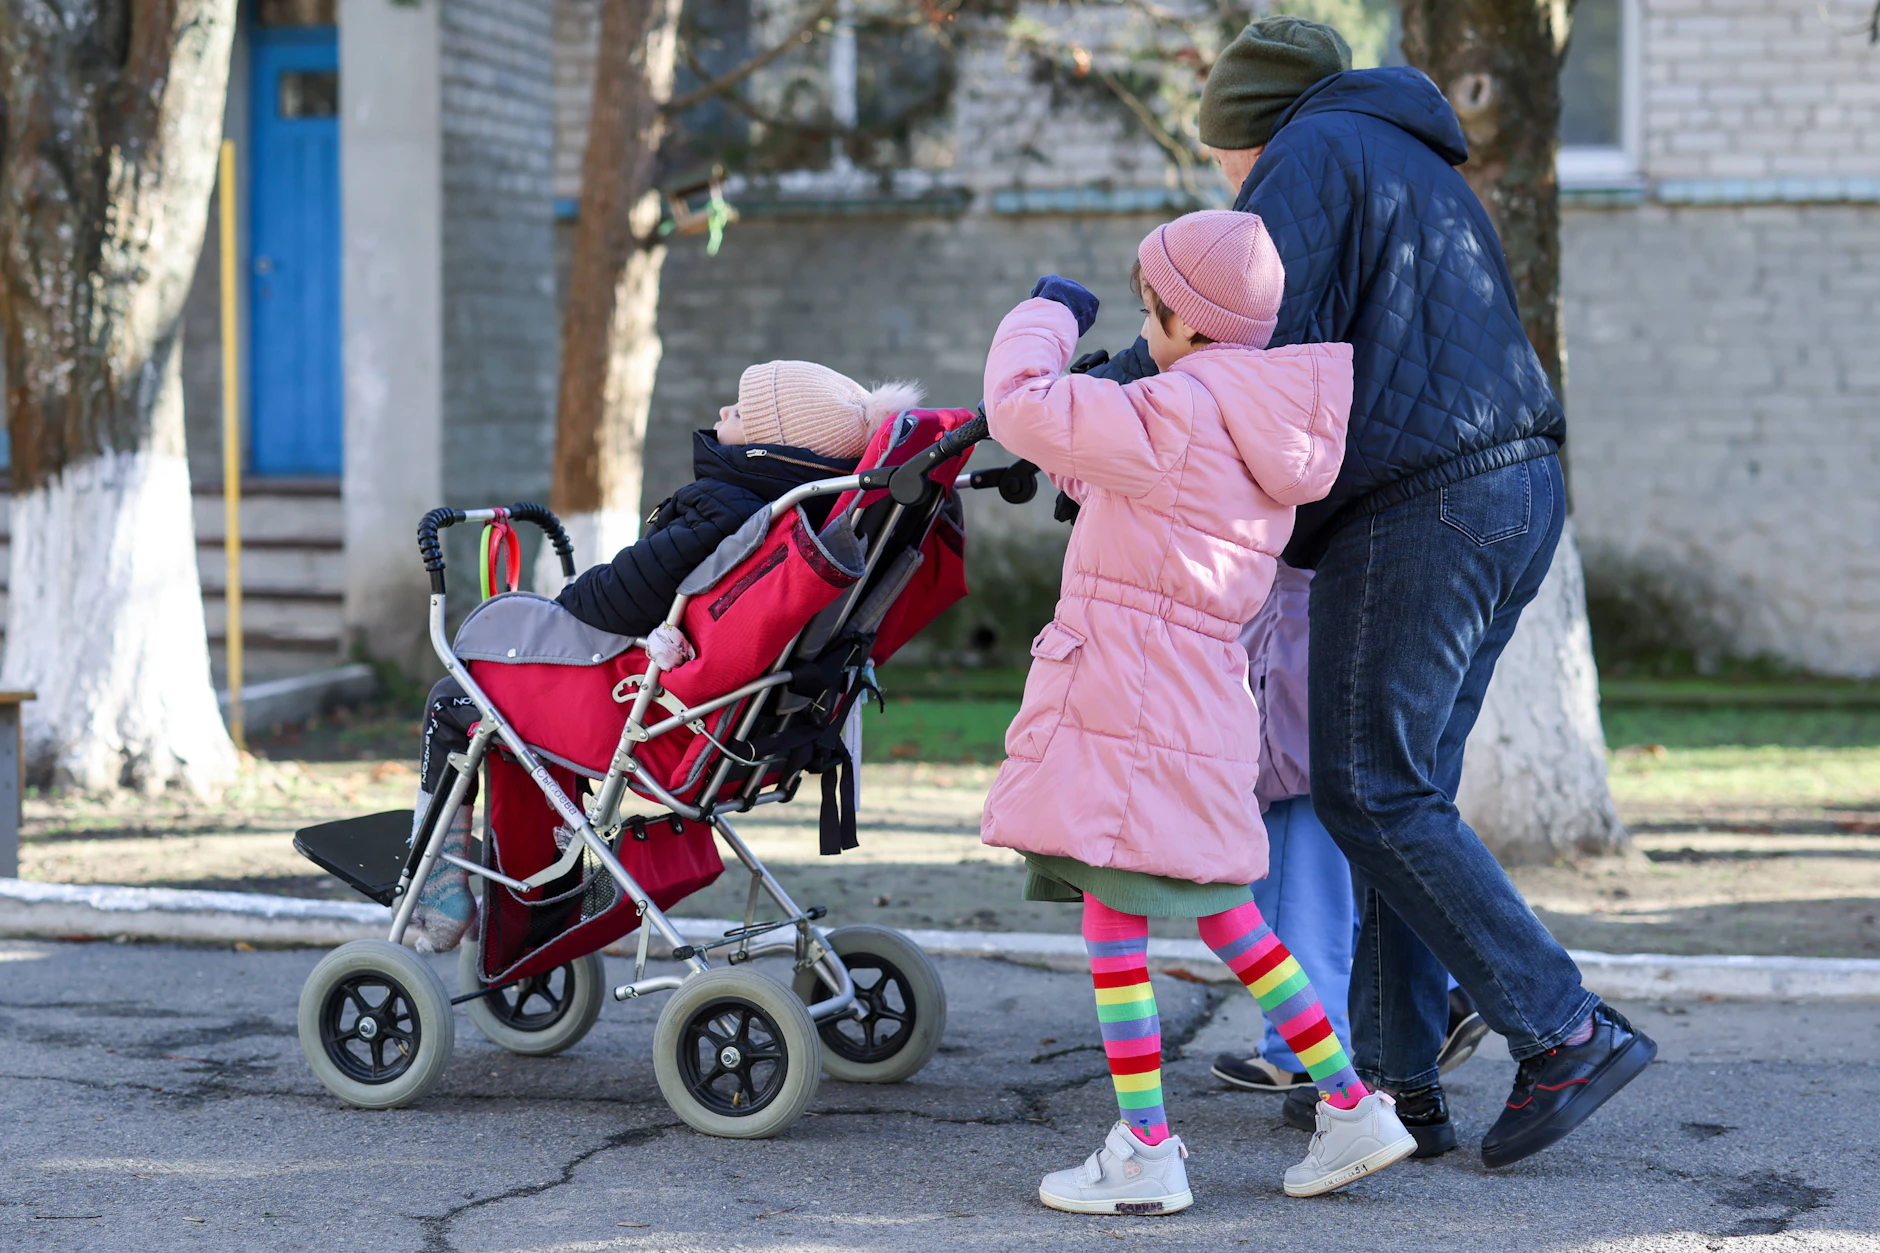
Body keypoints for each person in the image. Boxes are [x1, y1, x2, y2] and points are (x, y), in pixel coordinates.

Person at [1089, 15, 1656, 1169]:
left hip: (1418, 508)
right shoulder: (1403, 156)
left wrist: (1097, 414)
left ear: (1246, 132)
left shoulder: (1305, 157)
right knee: (1402, 795)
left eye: (1218, 165)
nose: (1224, 194)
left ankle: (1564, 1026)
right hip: (1509, 492)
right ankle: (1395, 1080)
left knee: (1365, 788)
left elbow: (1232, 354)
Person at [981, 209, 1415, 1215]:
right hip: (1201, 692)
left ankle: (1143, 1146)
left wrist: (1045, 314)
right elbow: (1144, 493)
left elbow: (1018, 401)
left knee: (1111, 910)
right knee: (1218, 902)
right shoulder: (1260, 423)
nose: (1146, 328)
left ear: (1179, 318)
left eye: (1148, 311)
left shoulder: (1170, 412)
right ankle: (1347, 1102)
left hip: (1127, 691)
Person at [404, 362, 921, 953]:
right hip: (747, 731)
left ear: (767, 448)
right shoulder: (803, 523)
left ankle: (440, 882)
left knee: (456, 698)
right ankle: (543, 884)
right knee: (518, 717)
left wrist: (565, 597)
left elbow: (607, 600)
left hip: (654, 725)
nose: (722, 413)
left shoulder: (724, 512)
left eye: (741, 412)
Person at [1209, 562, 1489, 1158]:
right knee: (1364, 867)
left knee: (1293, 879)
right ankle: (1444, 994)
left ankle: (1302, 1052)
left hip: (1291, 655)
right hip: (1357, 641)